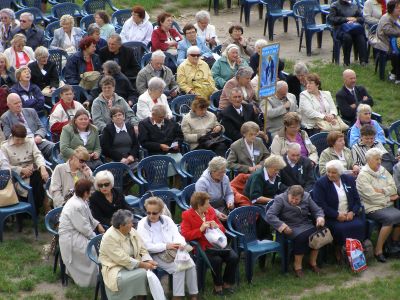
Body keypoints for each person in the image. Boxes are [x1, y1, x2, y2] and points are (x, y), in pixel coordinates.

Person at [137, 197, 198, 299]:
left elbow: (177, 235)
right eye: (148, 212)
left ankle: (194, 295)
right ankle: (177, 297)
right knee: (178, 269)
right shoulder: (142, 224)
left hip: (173, 250)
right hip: (154, 254)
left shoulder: (167, 220)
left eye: (154, 213)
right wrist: (165, 246)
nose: (151, 215)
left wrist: (181, 244)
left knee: (191, 265)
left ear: (161, 211)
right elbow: (146, 245)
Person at [181, 192, 239, 296]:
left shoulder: (210, 211)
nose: (209, 205)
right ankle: (217, 287)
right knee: (217, 260)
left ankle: (226, 284)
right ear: (199, 205)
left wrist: (216, 226)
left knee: (234, 257)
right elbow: (185, 235)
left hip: (217, 243)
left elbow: (222, 228)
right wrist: (200, 229)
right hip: (202, 246)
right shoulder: (187, 215)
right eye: (207, 203)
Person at [266, 185, 325, 277]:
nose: (293, 201)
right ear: (288, 194)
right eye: (292, 198)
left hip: (305, 224)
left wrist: (320, 217)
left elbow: (317, 210)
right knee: (302, 237)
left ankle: (313, 262)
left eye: (297, 199)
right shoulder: (280, 199)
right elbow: (270, 215)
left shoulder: (307, 196)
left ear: (302, 197)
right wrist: (283, 226)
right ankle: (297, 266)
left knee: (318, 235)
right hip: (289, 226)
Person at [99, 209, 157, 300]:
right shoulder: (109, 237)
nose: (132, 224)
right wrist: (143, 265)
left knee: (146, 272)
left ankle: (141, 297)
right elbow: (123, 259)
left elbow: (142, 247)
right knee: (143, 273)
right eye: (130, 222)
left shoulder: (131, 230)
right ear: (122, 226)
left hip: (132, 263)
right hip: (115, 267)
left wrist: (148, 260)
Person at [313, 160, 365, 258]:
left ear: (340, 173)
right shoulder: (321, 183)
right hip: (331, 217)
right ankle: (338, 250)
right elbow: (320, 204)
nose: (330, 174)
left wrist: (353, 212)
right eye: (328, 171)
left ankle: (357, 251)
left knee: (360, 224)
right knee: (340, 228)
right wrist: (336, 215)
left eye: (333, 172)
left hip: (349, 215)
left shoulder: (348, 179)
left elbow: (357, 200)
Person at [58, 179, 105, 287]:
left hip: (77, 232)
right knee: (93, 250)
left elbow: (89, 218)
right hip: (70, 238)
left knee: (98, 247)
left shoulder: (81, 201)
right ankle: (89, 281)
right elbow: (84, 228)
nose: (92, 193)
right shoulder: (76, 205)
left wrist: (98, 225)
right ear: (85, 193)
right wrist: (97, 240)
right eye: (90, 191)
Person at [356, 148, 400, 262]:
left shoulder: (382, 170)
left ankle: (393, 245)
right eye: (376, 159)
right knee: (390, 218)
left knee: (398, 216)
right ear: (369, 160)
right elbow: (370, 196)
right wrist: (389, 197)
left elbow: (393, 187)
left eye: (380, 158)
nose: (379, 161)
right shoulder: (363, 175)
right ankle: (378, 250)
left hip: (385, 205)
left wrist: (381, 191)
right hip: (371, 207)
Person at [0, 123, 49, 212]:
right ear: (12, 136)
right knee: (37, 179)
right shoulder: (4, 147)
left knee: (44, 174)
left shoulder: (30, 141)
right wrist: (21, 170)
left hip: (33, 169)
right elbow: (5, 166)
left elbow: (38, 155)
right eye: (17, 139)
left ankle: (45, 204)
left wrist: (42, 167)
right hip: (18, 175)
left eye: (22, 139)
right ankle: (41, 206)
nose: (20, 142)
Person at [2, 93, 54, 161]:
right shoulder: (5, 117)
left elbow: (42, 127)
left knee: (54, 148)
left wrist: (39, 135)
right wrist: (26, 140)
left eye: (20, 102)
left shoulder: (31, 111)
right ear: (9, 105)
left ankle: (55, 169)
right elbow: (8, 136)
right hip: (22, 145)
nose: (19, 105)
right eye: (16, 103)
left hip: (37, 141)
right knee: (38, 158)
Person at [328, 0, 368, 66]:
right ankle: (346, 62)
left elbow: (362, 18)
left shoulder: (354, 5)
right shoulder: (334, 5)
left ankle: (363, 61)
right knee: (347, 37)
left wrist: (355, 19)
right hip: (340, 29)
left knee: (360, 36)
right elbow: (332, 19)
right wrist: (346, 19)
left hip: (353, 28)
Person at [375, 0, 400, 83]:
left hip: (395, 42)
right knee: (396, 54)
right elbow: (388, 31)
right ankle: (396, 75)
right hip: (385, 43)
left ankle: (395, 73)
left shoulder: (397, 17)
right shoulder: (386, 17)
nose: (399, 9)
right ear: (391, 9)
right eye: (397, 7)